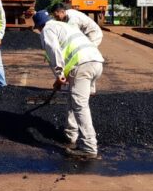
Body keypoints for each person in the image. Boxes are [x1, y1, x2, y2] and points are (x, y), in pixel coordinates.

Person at [33, 10, 104, 159]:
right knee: (74, 100)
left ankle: (89, 147)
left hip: (82, 66)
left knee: (80, 105)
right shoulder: (65, 26)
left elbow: (54, 51)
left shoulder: (47, 30)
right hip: (96, 62)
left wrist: (59, 75)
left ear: (39, 26)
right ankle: (71, 135)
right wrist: (62, 78)